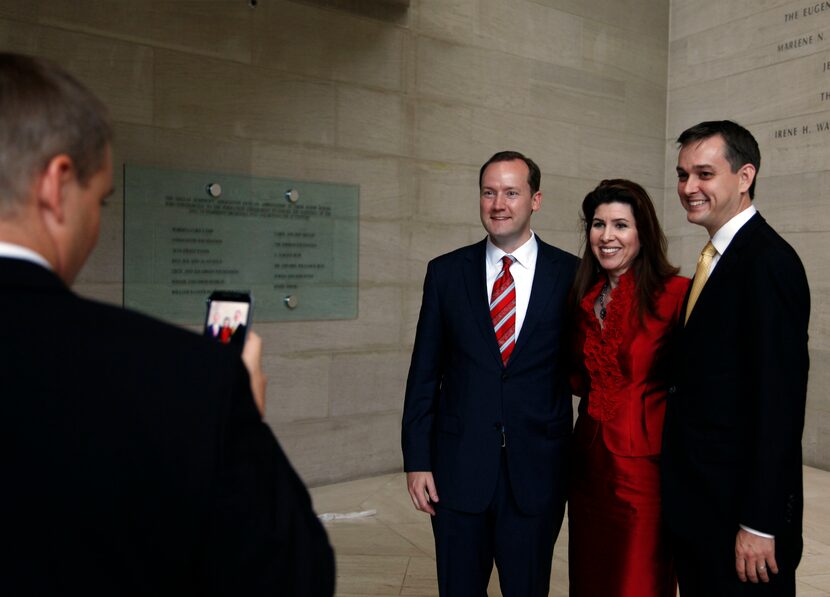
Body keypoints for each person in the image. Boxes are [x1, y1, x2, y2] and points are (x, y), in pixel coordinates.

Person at [0, 53, 334, 595]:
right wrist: (238, 416)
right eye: (101, 199)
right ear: (57, 186)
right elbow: (291, 577)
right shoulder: (186, 379)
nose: (98, 223)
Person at [402, 151, 577, 596]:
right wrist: (418, 460)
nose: (499, 203)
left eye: (511, 192)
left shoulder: (572, 275)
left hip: (536, 473)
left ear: (535, 200)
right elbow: (424, 374)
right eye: (489, 192)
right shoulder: (445, 273)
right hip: (458, 472)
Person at [661, 120, 810, 596]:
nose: (688, 187)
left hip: (742, 522)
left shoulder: (769, 262)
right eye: (683, 175)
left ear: (745, 177)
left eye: (704, 174)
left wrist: (761, 523)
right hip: (701, 510)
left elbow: (781, 406)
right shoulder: (715, 257)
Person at [567, 179, 689, 597]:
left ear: (643, 232)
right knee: (590, 579)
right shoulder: (584, 296)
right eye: (598, 225)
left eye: (621, 224)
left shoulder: (677, 295)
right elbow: (576, 377)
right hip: (587, 468)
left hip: (645, 473)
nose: (607, 236)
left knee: (637, 582)